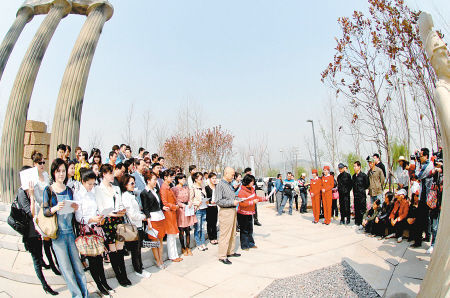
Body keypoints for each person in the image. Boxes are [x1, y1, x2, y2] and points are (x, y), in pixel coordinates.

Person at [43, 158, 88, 297]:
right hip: (58, 236)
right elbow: (45, 211)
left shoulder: (69, 190)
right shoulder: (48, 190)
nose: (61, 174)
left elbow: (74, 213)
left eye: (63, 171)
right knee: (67, 269)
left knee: (78, 267)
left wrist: (75, 208)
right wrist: (55, 207)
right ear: (53, 173)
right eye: (58, 171)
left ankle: (84, 294)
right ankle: (77, 295)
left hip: (70, 233)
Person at [18, 166, 58, 295]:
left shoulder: (33, 189)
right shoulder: (22, 193)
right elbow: (31, 213)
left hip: (37, 227)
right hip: (29, 231)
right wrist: (31, 196)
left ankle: (45, 263)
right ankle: (45, 285)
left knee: (40, 252)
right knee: (35, 259)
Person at [74, 169, 113, 295]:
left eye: (93, 184)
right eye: (89, 184)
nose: (91, 186)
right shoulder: (78, 195)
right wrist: (91, 219)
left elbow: (96, 208)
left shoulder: (93, 192)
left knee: (99, 257)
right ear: (83, 182)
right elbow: (78, 217)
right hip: (86, 230)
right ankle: (99, 284)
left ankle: (104, 281)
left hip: (96, 227)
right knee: (92, 259)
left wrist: (99, 217)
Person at [95, 164, 132, 287]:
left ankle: (124, 275)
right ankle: (119, 276)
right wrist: (113, 213)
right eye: (110, 173)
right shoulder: (98, 189)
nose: (112, 175)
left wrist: (121, 211)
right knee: (113, 250)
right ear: (104, 174)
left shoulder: (116, 188)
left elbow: (120, 203)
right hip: (109, 221)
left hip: (119, 219)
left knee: (120, 249)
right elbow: (101, 208)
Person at [31, 151, 60, 276]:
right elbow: (37, 197)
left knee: (52, 236)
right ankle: (52, 264)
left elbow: (51, 188)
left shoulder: (46, 175)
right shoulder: (33, 178)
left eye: (43, 162)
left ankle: (57, 262)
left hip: (51, 208)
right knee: (46, 238)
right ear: (35, 163)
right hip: (41, 210)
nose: (42, 164)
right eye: (40, 162)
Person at [120, 174, 151, 278]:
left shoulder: (131, 194)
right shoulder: (126, 196)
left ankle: (140, 267)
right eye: (131, 183)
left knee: (138, 249)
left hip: (138, 225)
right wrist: (143, 217)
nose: (134, 185)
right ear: (125, 184)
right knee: (135, 250)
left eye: (134, 182)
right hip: (133, 226)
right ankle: (138, 269)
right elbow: (132, 215)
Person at [141, 171, 167, 269]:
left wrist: (163, 208)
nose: (156, 181)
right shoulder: (144, 193)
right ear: (148, 180)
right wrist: (149, 222)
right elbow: (145, 208)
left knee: (160, 240)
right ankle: (158, 261)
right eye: (154, 179)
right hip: (152, 219)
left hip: (160, 217)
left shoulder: (156, 190)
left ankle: (161, 259)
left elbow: (160, 204)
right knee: (153, 242)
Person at [216, 167, 240, 265]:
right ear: (226, 173)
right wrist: (232, 202)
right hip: (226, 212)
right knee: (225, 234)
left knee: (233, 233)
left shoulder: (230, 184)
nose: (233, 176)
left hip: (233, 210)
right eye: (232, 174)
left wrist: (237, 199)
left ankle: (230, 251)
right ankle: (222, 256)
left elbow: (230, 196)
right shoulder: (220, 185)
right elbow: (219, 201)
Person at [237, 174, 267, 250]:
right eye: (252, 181)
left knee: (250, 229)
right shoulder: (242, 192)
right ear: (248, 181)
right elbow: (241, 204)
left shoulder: (252, 190)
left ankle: (251, 243)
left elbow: (256, 198)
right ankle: (244, 245)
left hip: (250, 213)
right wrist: (252, 202)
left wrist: (264, 199)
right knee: (244, 230)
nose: (253, 183)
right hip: (243, 213)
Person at [159, 170, 183, 262]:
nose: (172, 178)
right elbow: (165, 202)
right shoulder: (164, 188)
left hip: (172, 212)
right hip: (169, 213)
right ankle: (172, 256)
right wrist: (174, 206)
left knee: (172, 235)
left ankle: (174, 254)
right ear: (165, 177)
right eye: (170, 176)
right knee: (170, 235)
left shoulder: (168, 187)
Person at [172, 173, 197, 256]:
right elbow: (175, 200)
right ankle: (182, 247)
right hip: (181, 210)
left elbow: (190, 197)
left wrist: (190, 203)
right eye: (182, 179)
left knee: (188, 229)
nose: (184, 180)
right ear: (178, 180)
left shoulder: (186, 188)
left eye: (184, 179)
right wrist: (183, 205)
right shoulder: (174, 189)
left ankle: (188, 247)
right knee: (181, 230)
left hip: (188, 209)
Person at [415, 148, 434, 242]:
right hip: (424, 196)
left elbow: (418, 175)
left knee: (421, 218)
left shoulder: (428, 166)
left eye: (421, 155)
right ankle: (427, 236)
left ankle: (418, 240)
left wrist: (416, 163)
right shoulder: (425, 165)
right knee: (426, 218)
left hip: (427, 197)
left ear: (426, 156)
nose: (419, 157)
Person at [428, 159, 443, 254]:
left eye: (439, 165)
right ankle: (433, 245)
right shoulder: (434, 176)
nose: (437, 167)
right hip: (435, 205)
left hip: (443, 205)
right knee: (434, 227)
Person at [190, 172, 208, 251]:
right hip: (198, 209)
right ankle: (198, 243)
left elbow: (205, 196)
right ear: (196, 179)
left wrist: (206, 201)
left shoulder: (203, 187)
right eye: (200, 178)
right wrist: (197, 203)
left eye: (202, 178)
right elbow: (190, 199)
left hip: (204, 208)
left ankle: (203, 242)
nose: (202, 180)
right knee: (198, 227)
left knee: (203, 227)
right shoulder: (193, 187)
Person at [352, 161, 369, 227]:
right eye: (354, 166)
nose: (354, 168)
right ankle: (357, 223)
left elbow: (367, 185)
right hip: (355, 195)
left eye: (355, 166)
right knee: (356, 209)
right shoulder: (354, 176)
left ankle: (362, 223)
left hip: (361, 195)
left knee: (362, 209)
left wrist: (361, 189)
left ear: (359, 167)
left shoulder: (363, 175)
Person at [205, 172, 219, 245]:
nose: (214, 180)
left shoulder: (217, 186)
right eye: (213, 178)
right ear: (209, 179)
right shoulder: (207, 187)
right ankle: (211, 238)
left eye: (215, 178)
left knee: (215, 222)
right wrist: (210, 201)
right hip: (209, 207)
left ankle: (215, 237)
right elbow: (205, 198)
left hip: (215, 206)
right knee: (209, 223)